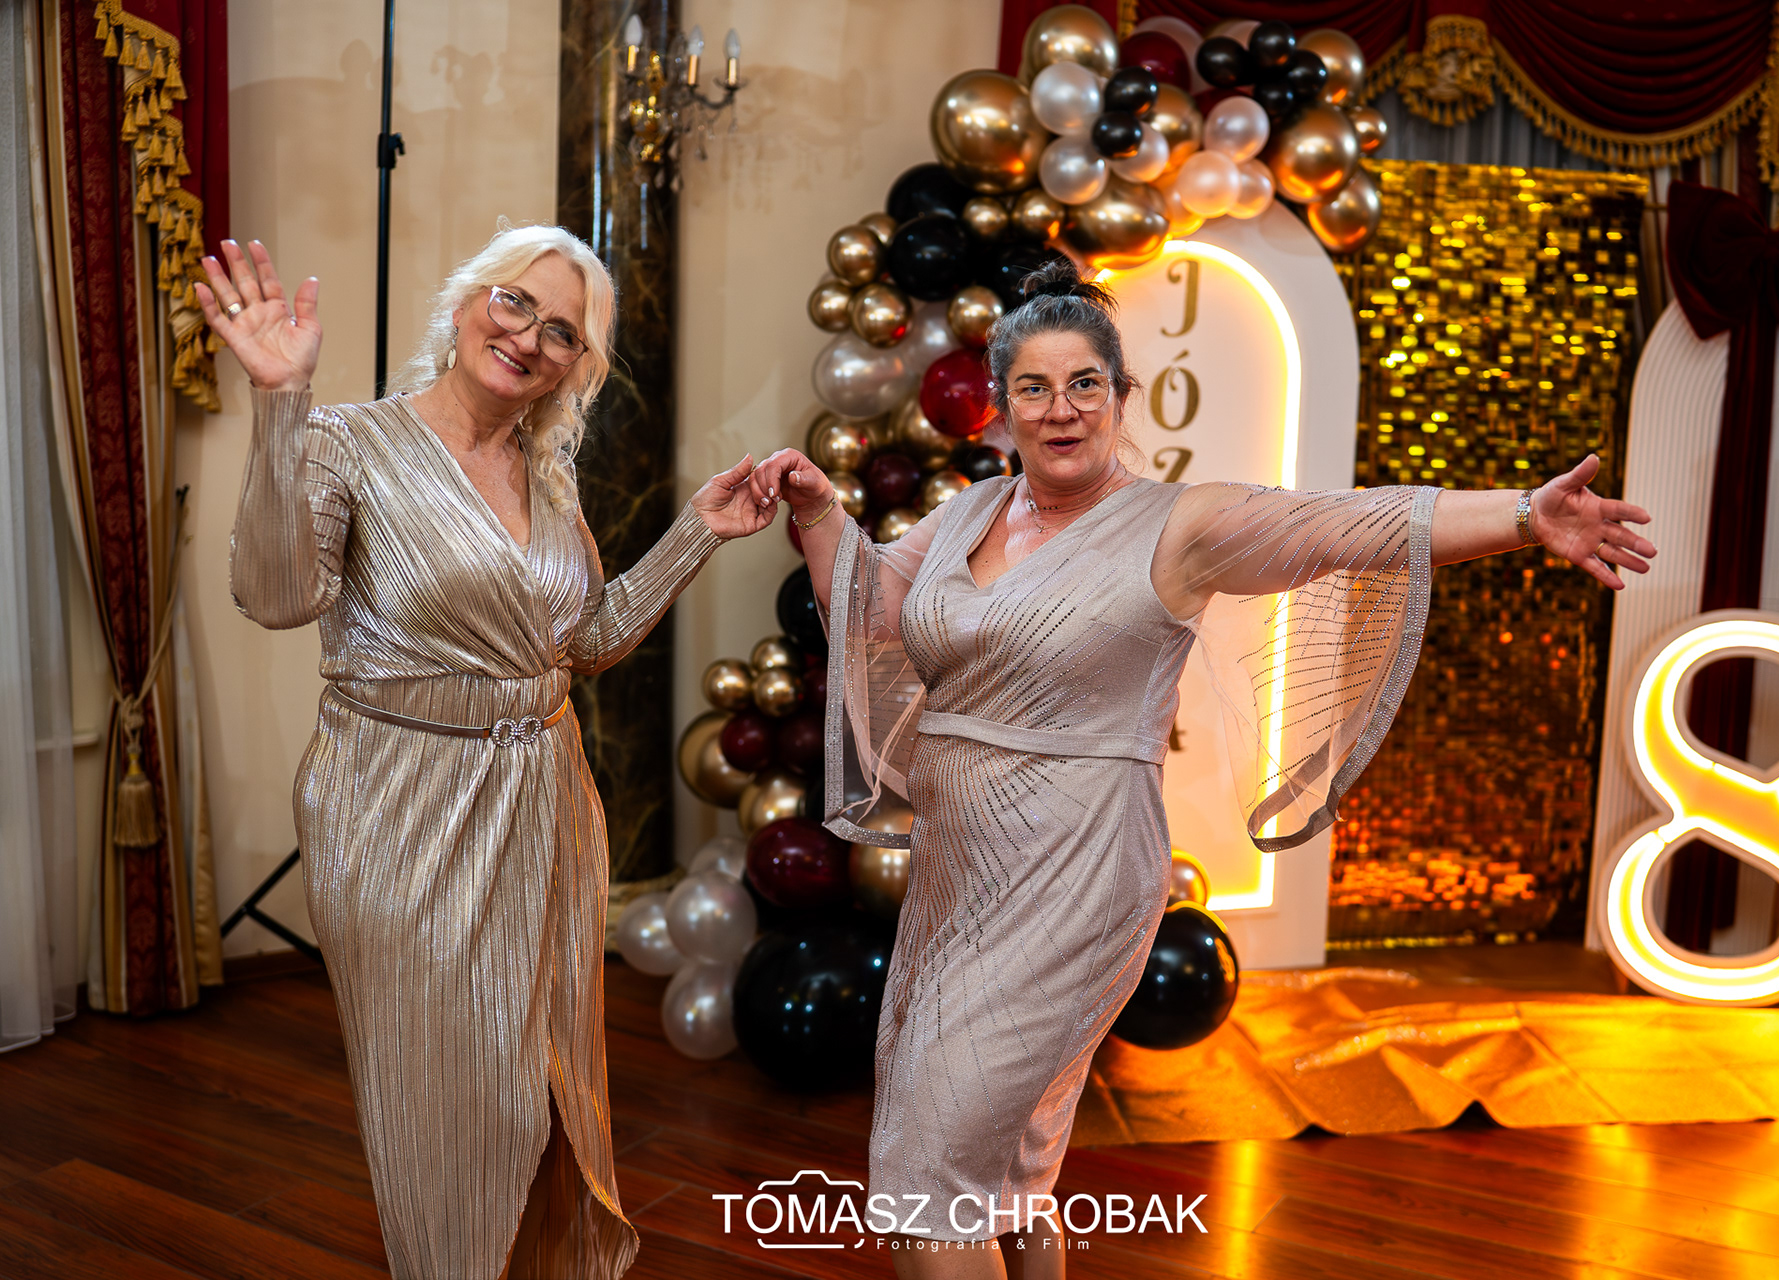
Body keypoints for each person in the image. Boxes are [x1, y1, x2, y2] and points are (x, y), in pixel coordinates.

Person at [749, 259, 1656, 1280]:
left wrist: (1527, 515)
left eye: (1085, 383)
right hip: (958, 874)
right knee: (1008, 1165)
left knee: (931, 1175)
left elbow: (1345, 525)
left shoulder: (1182, 524)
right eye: (1035, 388)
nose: (1061, 409)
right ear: (1001, 405)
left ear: (1121, 395)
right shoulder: (968, 514)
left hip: (1080, 872)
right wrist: (819, 511)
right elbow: (873, 609)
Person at [201, 226, 775, 1279]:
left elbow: (583, 642)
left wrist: (697, 530)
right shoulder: (348, 442)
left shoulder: (545, 475)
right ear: (466, 301)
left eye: (562, 332)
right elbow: (275, 596)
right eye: (515, 301)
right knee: (445, 1107)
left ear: (575, 365)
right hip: (398, 807)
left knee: (552, 1094)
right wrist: (282, 399)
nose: (529, 337)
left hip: (546, 809)